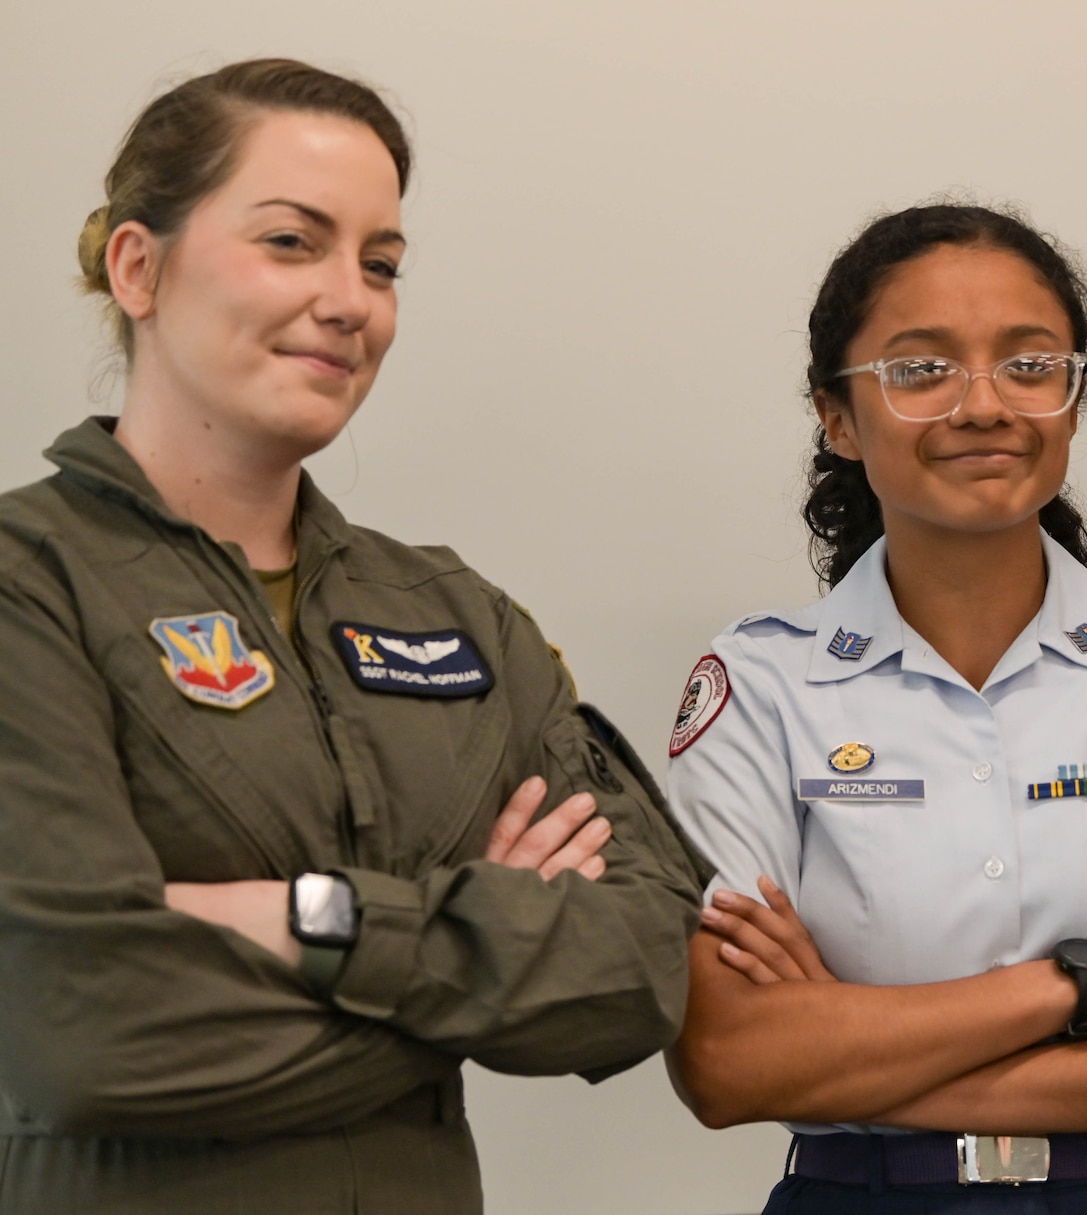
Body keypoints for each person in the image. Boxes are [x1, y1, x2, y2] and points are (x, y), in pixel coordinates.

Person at [0, 59, 709, 1214]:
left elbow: (638, 971)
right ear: (138, 266)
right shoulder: (31, 585)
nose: (350, 299)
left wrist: (301, 918)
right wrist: (467, 969)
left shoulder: (454, 613)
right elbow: (76, 1028)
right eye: (292, 242)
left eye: (379, 264)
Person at [664, 203, 1087, 1213]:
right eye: (920, 369)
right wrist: (1081, 988)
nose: (983, 405)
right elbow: (727, 1059)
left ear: (1071, 401)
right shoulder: (759, 688)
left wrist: (855, 1043)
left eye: (1029, 365)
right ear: (836, 417)